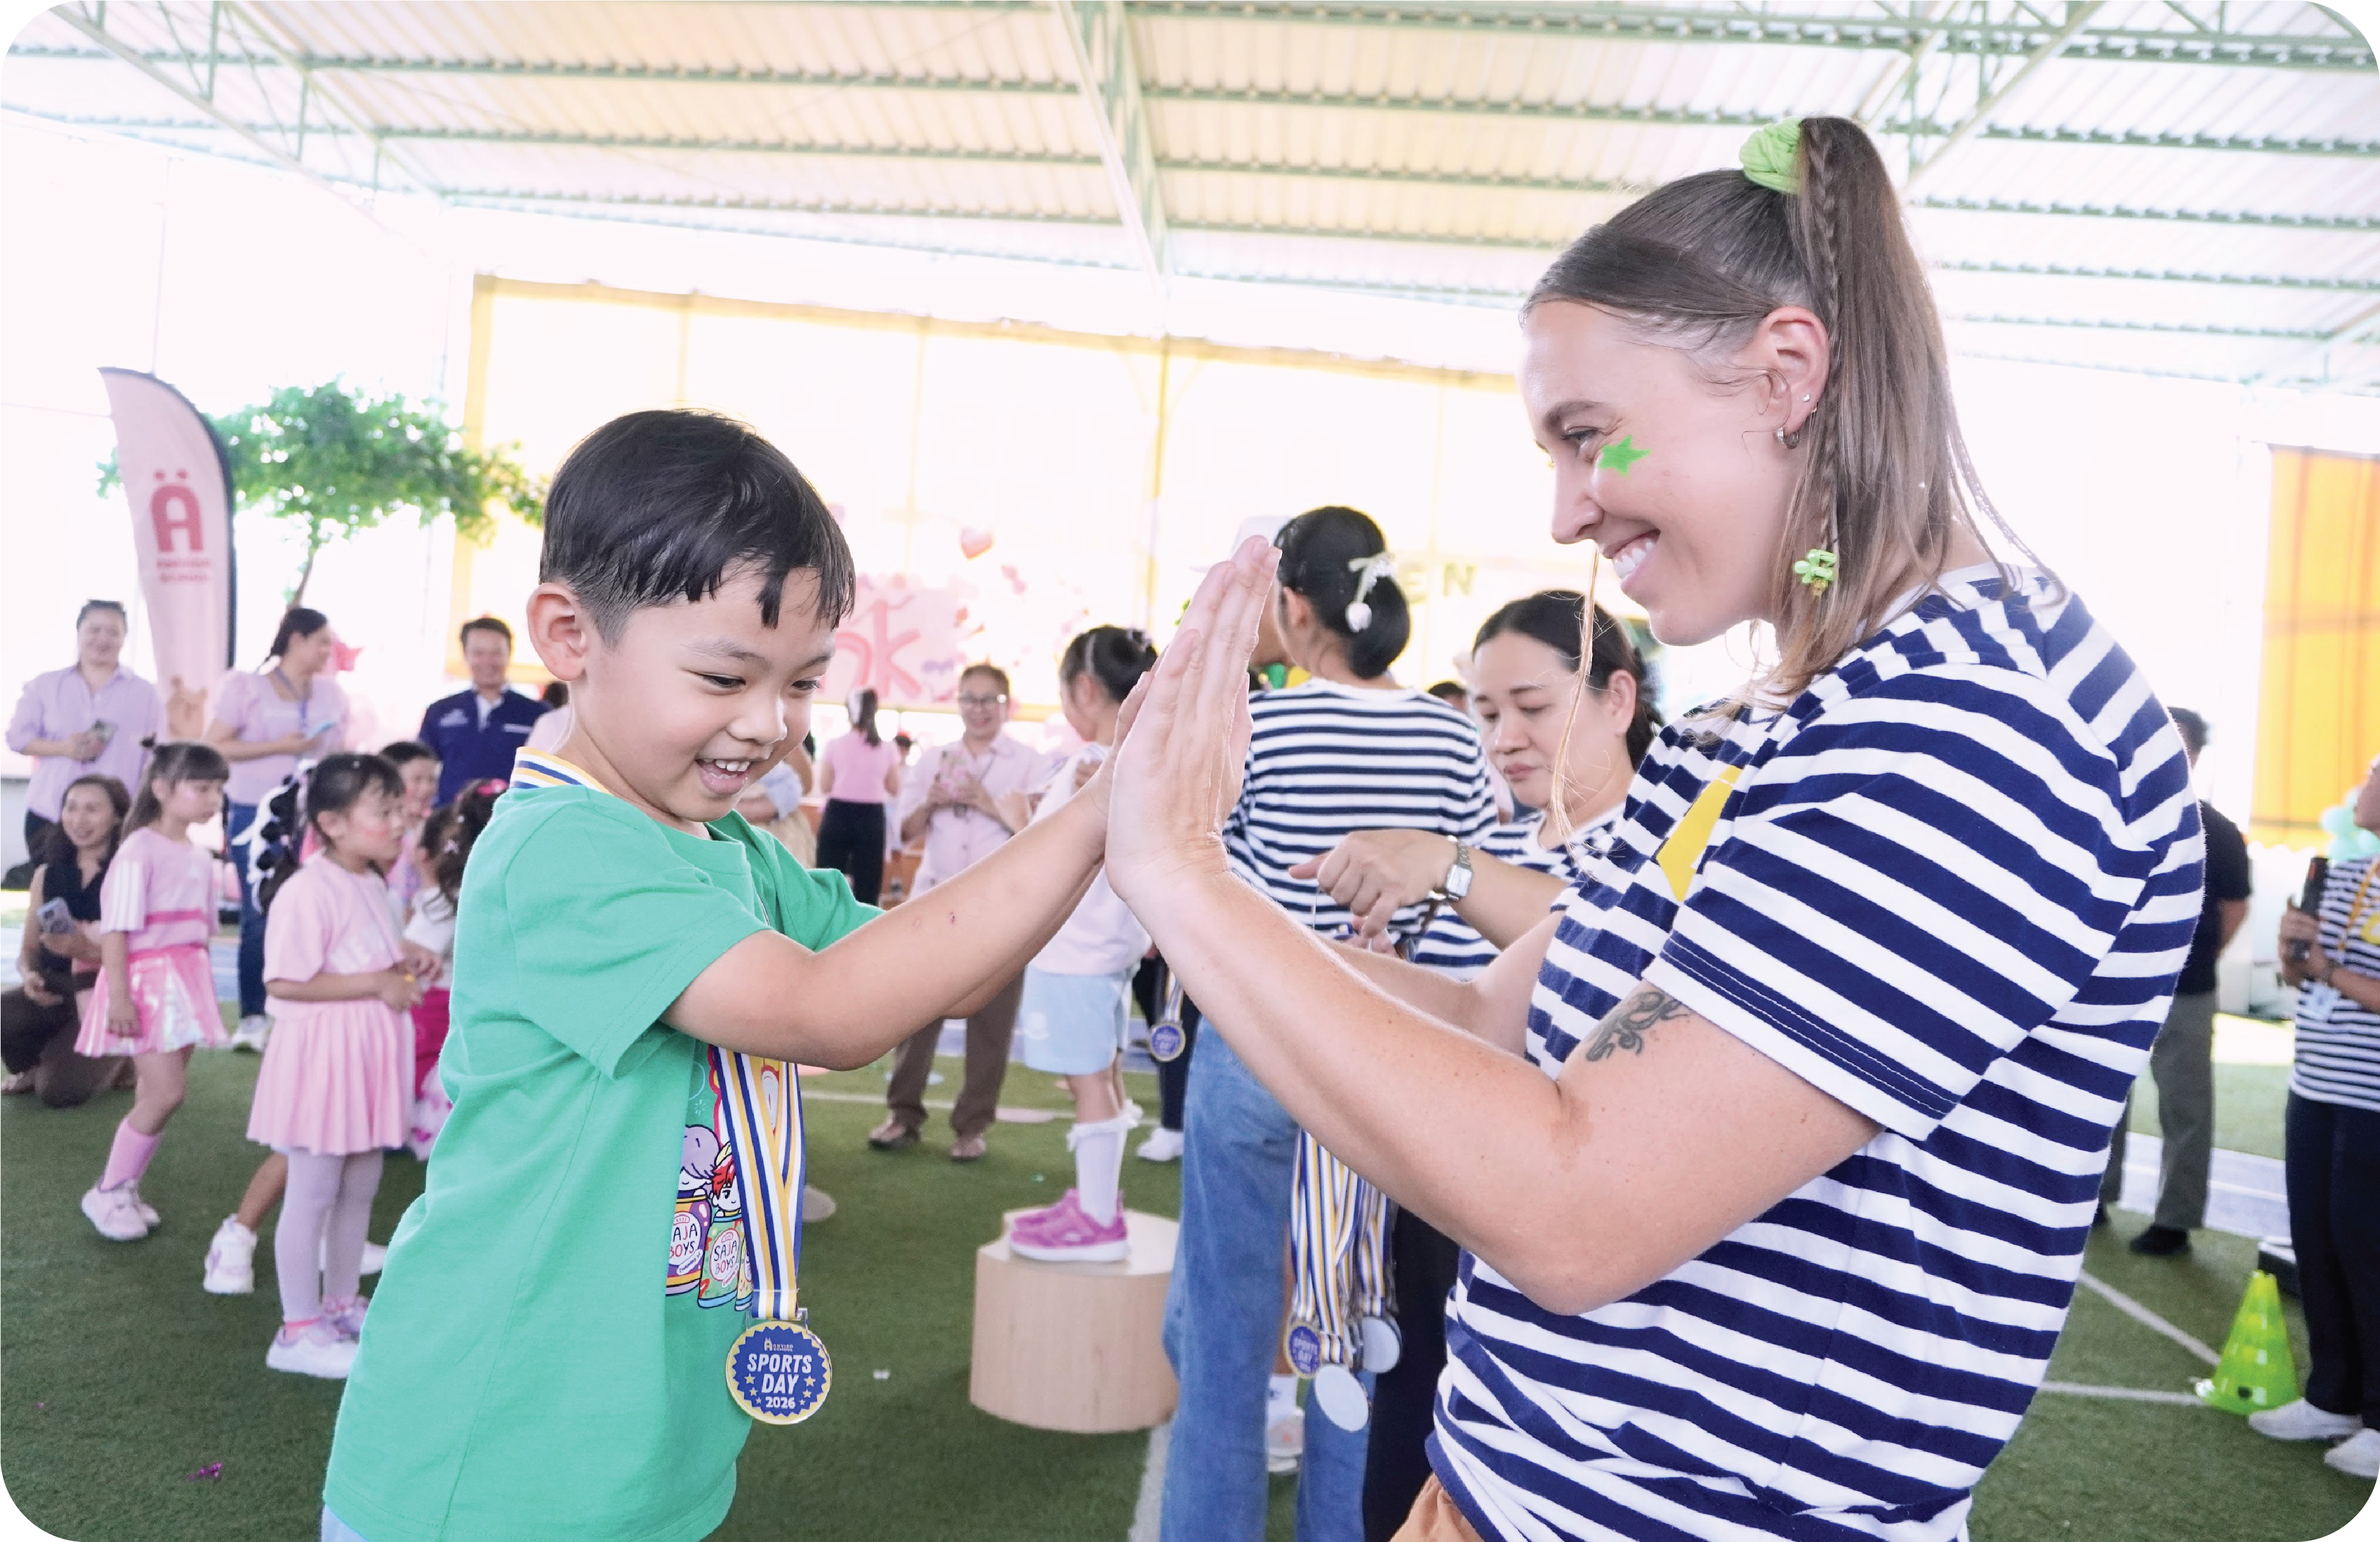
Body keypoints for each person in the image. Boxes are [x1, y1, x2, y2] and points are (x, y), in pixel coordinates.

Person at [1101, 116, 2204, 1542]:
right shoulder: (1776, 716)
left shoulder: (1979, 726)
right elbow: (1495, 1012)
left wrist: (1185, 878)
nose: (1566, 510)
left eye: (1584, 437)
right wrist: (1198, 905)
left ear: (1786, 374)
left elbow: (1578, 1205)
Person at [320, 408, 1137, 1542]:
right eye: (723, 675)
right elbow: (830, 1009)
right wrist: (1100, 810)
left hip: (639, 1454)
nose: (768, 727)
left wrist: (1099, 810)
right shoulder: (566, 845)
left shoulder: (726, 845)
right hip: (493, 1454)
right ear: (568, 632)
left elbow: (932, 974)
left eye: (800, 682)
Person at [1162, 504, 1497, 1542]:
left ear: (1294, 605)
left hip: (1259, 1037)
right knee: (1357, 1325)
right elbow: (1473, 906)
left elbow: (1206, 876)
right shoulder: (1452, 731)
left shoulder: (1262, 719)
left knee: (1223, 1327)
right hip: (1388, 1050)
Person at [1296, 592, 1656, 1540]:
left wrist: (1445, 870)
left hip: (1555, 1218)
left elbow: (1590, 933)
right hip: (1437, 1193)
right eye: (1487, 711)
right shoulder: (1493, 840)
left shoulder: (1662, 846)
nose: (1504, 736)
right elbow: (1468, 1005)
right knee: (1403, 1461)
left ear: (1619, 697)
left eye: (1533, 707)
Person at [246, 753, 432, 1379]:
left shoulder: (371, 880)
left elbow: (368, 950)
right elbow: (286, 981)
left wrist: (404, 958)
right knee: (314, 1191)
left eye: (399, 808)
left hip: (362, 1059)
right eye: (384, 811)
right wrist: (380, 981)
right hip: (324, 1061)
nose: (401, 820)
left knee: (359, 1186)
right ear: (331, 821)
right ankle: (297, 1329)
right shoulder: (307, 889)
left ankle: (340, 1303)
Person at [1006, 627, 1162, 1261]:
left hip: (1076, 951)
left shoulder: (1095, 764)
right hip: (1105, 950)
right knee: (1102, 1074)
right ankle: (1099, 1202)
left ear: (1085, 689)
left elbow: (1052, 859)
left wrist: (1021, 817)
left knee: (1088, 1081)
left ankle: (1098, 1219)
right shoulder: (1129, 764)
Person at [2259, 749, 2380, 1480]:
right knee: (2318, 1237)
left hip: (2372, 1095)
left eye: (2375, 777)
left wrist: (2329, 970)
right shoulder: (2343, 871)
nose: (2361, 787)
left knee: (2366, 1247)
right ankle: (2331, 1394)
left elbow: (2345, 977)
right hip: (2316, 1082)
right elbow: (2303, 973)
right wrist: (2291, 950)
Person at [869, 662, 1040, 1161]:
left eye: (989, 700)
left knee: (993, 1021)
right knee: (915, 1011)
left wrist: (986, 802)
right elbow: (903, 831)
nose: (979, 709)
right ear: (958, 703)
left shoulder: (1028, 761)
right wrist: (931, 802)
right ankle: (902, 1114)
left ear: (1006, 706)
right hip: (935, 901)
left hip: (1001, 907)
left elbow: (1038, 835)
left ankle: (972, 1126)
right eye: (970, 699)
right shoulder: (935, 758)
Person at [2099, 705, 2251, 1256]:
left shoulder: (2218, 829)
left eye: (2179, 741)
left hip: (2186, 993)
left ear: (2195, 755)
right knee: (2102, 1099)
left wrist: (2194, 960)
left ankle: (2175, 1220)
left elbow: (2233, 909)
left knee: (2185, 1109)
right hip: (2115, 990)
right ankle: (2091, 1199)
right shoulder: (2117, 813)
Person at [74, 741, 236, 1241]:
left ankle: (124, 1188)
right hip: (149, 984)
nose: (213, 799)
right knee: (167, 1093)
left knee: (155, 1092)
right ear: (162, 790)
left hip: (185, 980)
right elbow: (116, 932)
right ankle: (108, 1189)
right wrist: (119, 995)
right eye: (202, 787)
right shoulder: (138, 849)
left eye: (218, 790)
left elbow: (201, 930)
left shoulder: (197, 854)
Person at [207, 607, 349, 1050]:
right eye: (322, 641)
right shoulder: (246, 686)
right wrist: (280, 746)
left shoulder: (331, 694)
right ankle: (252, 1016)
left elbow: (338, 750)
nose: (328, 651)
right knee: (259, 912)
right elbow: (214, 745)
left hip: (314, 814)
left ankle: (303, 1012)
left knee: (315, 908)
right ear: (295, 640)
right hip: (256, 812)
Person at [7, 600, 160, 880]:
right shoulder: (46, 685)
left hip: (118, 819)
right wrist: (63, 748)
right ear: (78, 633)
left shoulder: (146, 693)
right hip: (52, 812)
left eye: (112, 632)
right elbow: (17, 738)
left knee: (107, 898)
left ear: (124, 638)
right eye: (94, 630)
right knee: (53, 895)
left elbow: (156, 757)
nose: (103, 639)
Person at [2, 774, 131, 1105]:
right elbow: (28, 949)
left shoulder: (129, 873)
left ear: (117, 817)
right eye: (71, 808)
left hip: (105, 994)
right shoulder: (46, 874)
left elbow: (146, 956)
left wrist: (86, 950)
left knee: (59, 1093)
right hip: (55, 988)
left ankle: (121, 1056)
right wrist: (29, 975)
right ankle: (32, 1064)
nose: (79, 820)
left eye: (92, 809)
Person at [402, 788, 497, 1159]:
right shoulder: (486, 891)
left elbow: (419, 948)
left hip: (438, 1000)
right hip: (470, 998)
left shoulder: (444, 896)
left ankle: (411, 1126)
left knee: (425, 1067)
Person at [415, 617, 549, 805]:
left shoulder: (538, 715)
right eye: (478, 653)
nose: (487, 661)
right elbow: (421, 768)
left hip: (513, 820)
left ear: (509, 654)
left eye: (496, 653)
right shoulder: (440, 712)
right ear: (465, 654)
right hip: (451, 822)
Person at [815, 688, 903, 904]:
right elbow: (894, 788)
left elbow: (825, 786)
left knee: (827, 878)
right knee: (868, 884)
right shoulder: (888, 747)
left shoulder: (834, 745)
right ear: (875, 711)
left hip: (838, 814)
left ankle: (823, 928)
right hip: (871, 817)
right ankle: (864, 931)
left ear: (848, 711)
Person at [377, 740, 442, 919]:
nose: (428, 788)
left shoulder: (437, 829)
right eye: (417, 780)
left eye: (432, 780)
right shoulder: (377, 833)